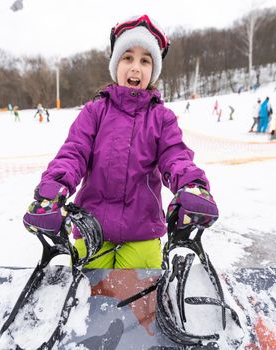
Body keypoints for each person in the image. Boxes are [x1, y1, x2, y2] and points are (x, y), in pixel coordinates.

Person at [23, 14, 218, 269]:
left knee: (141, 299)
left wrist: (192, 185)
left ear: (153, 70)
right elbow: (74, 153)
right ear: (116, 65)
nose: (136, 67)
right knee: (88, 298)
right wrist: (52, 189)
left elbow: (175, 156)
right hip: (92, 228)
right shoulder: (94, 112)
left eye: (145, 61)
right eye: (128, 57)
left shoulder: (162, 118)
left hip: (143, 230)